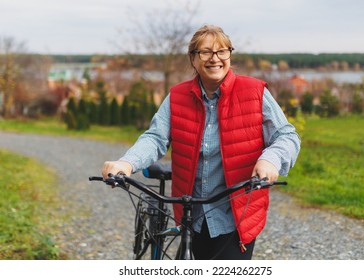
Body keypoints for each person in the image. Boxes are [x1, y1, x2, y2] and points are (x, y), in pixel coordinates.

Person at [101, 24, 300, 260]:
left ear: (229, 55)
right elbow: (155, 138)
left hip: (235, 214)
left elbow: (287, 136)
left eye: (222, 51)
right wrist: (127, 163)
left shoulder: (254, 92)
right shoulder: (177, 96)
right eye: (205, 52)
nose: (214, 58)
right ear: (193, 59)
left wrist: (270, 160)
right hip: (191, 213)